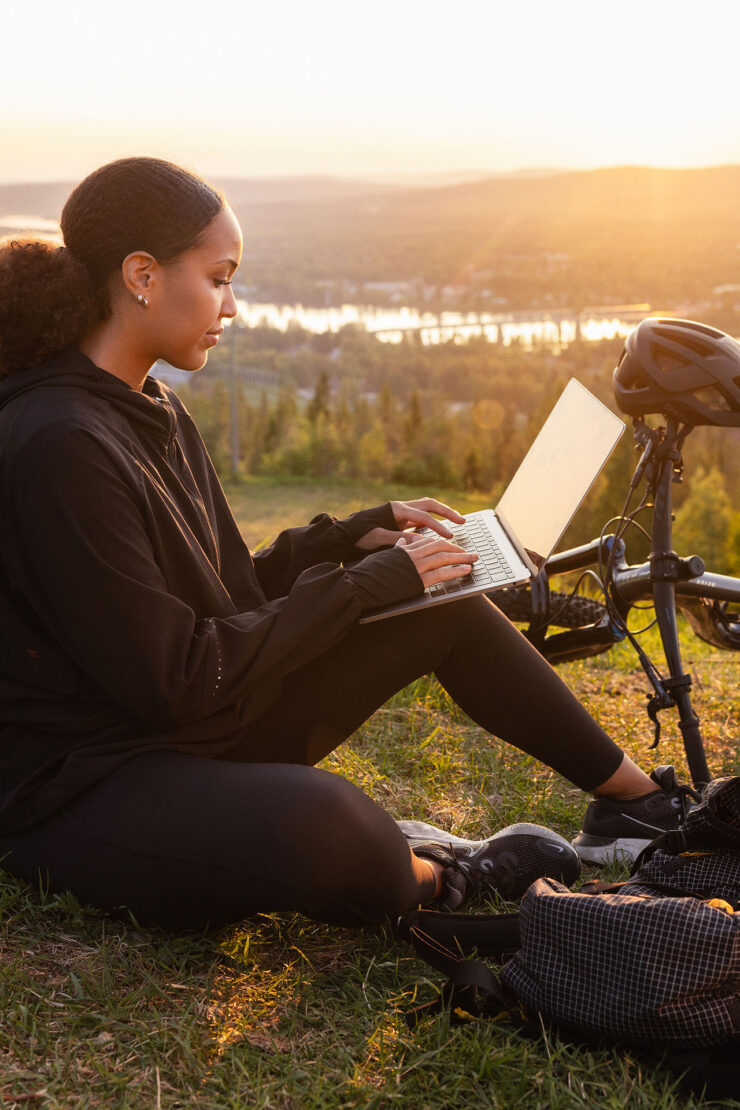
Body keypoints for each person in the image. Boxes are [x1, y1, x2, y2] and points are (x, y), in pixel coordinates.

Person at [0, 158, 688, 931]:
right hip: (87, 781)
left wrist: (355, 538)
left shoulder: (146, 405)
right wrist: (364, 586)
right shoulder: (60, 443)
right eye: (220, 278)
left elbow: (228, 596)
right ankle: (441, 874)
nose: (232, 306)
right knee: (335, 827)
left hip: (187, 725)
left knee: (439, 599)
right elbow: (173, 676)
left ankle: (641, 806)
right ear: (142, 276)